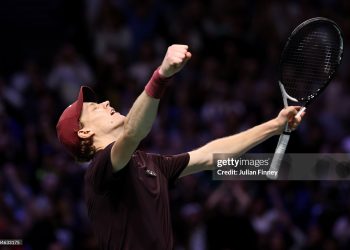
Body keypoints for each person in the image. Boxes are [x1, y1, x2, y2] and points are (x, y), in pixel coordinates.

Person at [56, 44, 303, 250]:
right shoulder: (99, 171)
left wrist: (275, 125)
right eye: (95, 107)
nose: (106, 102)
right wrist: (161, 76)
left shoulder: (151, 164)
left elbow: (210, 155)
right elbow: (133, 132)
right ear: (85, 132)